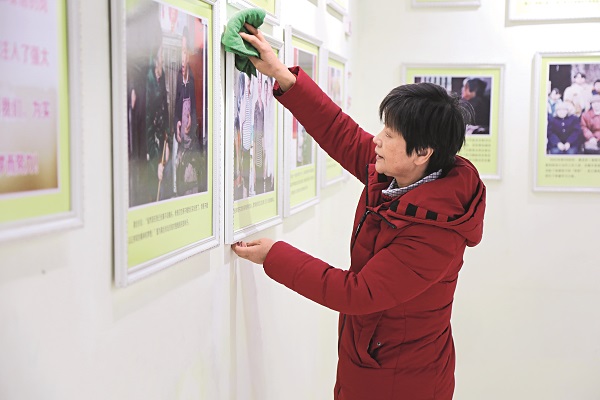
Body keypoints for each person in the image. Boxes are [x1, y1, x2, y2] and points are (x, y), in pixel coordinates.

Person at [232, 24, 486, 400]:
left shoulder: (436, 235)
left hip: (403, 381)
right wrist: (283, 75)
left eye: (390, 134)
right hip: (374, 358)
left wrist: (275, 256)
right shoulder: (403, 174)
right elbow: (342, 134)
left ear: (422, 152)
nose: (378, 140)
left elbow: (356, 293)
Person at [174, 26, 200, 196]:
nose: (182, 57)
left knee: (190, 174)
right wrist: (177, 121)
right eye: (181, 52)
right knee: (178, 169)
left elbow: (199, 109)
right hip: (181, 135)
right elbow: (177, 104)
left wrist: (193, 122)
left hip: (193, 137)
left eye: (185, 52)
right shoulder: (178, 75)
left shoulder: (194, 78)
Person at [145, 42, 172, 202]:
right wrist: (156, 163)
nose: (163, 58)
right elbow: (148, 125)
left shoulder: (161, 78)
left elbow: (165, 110)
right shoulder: (149, 82)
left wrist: (167, 139)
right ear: (156, 59)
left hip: (162, 141)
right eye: (161, 55)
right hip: (152, 146)